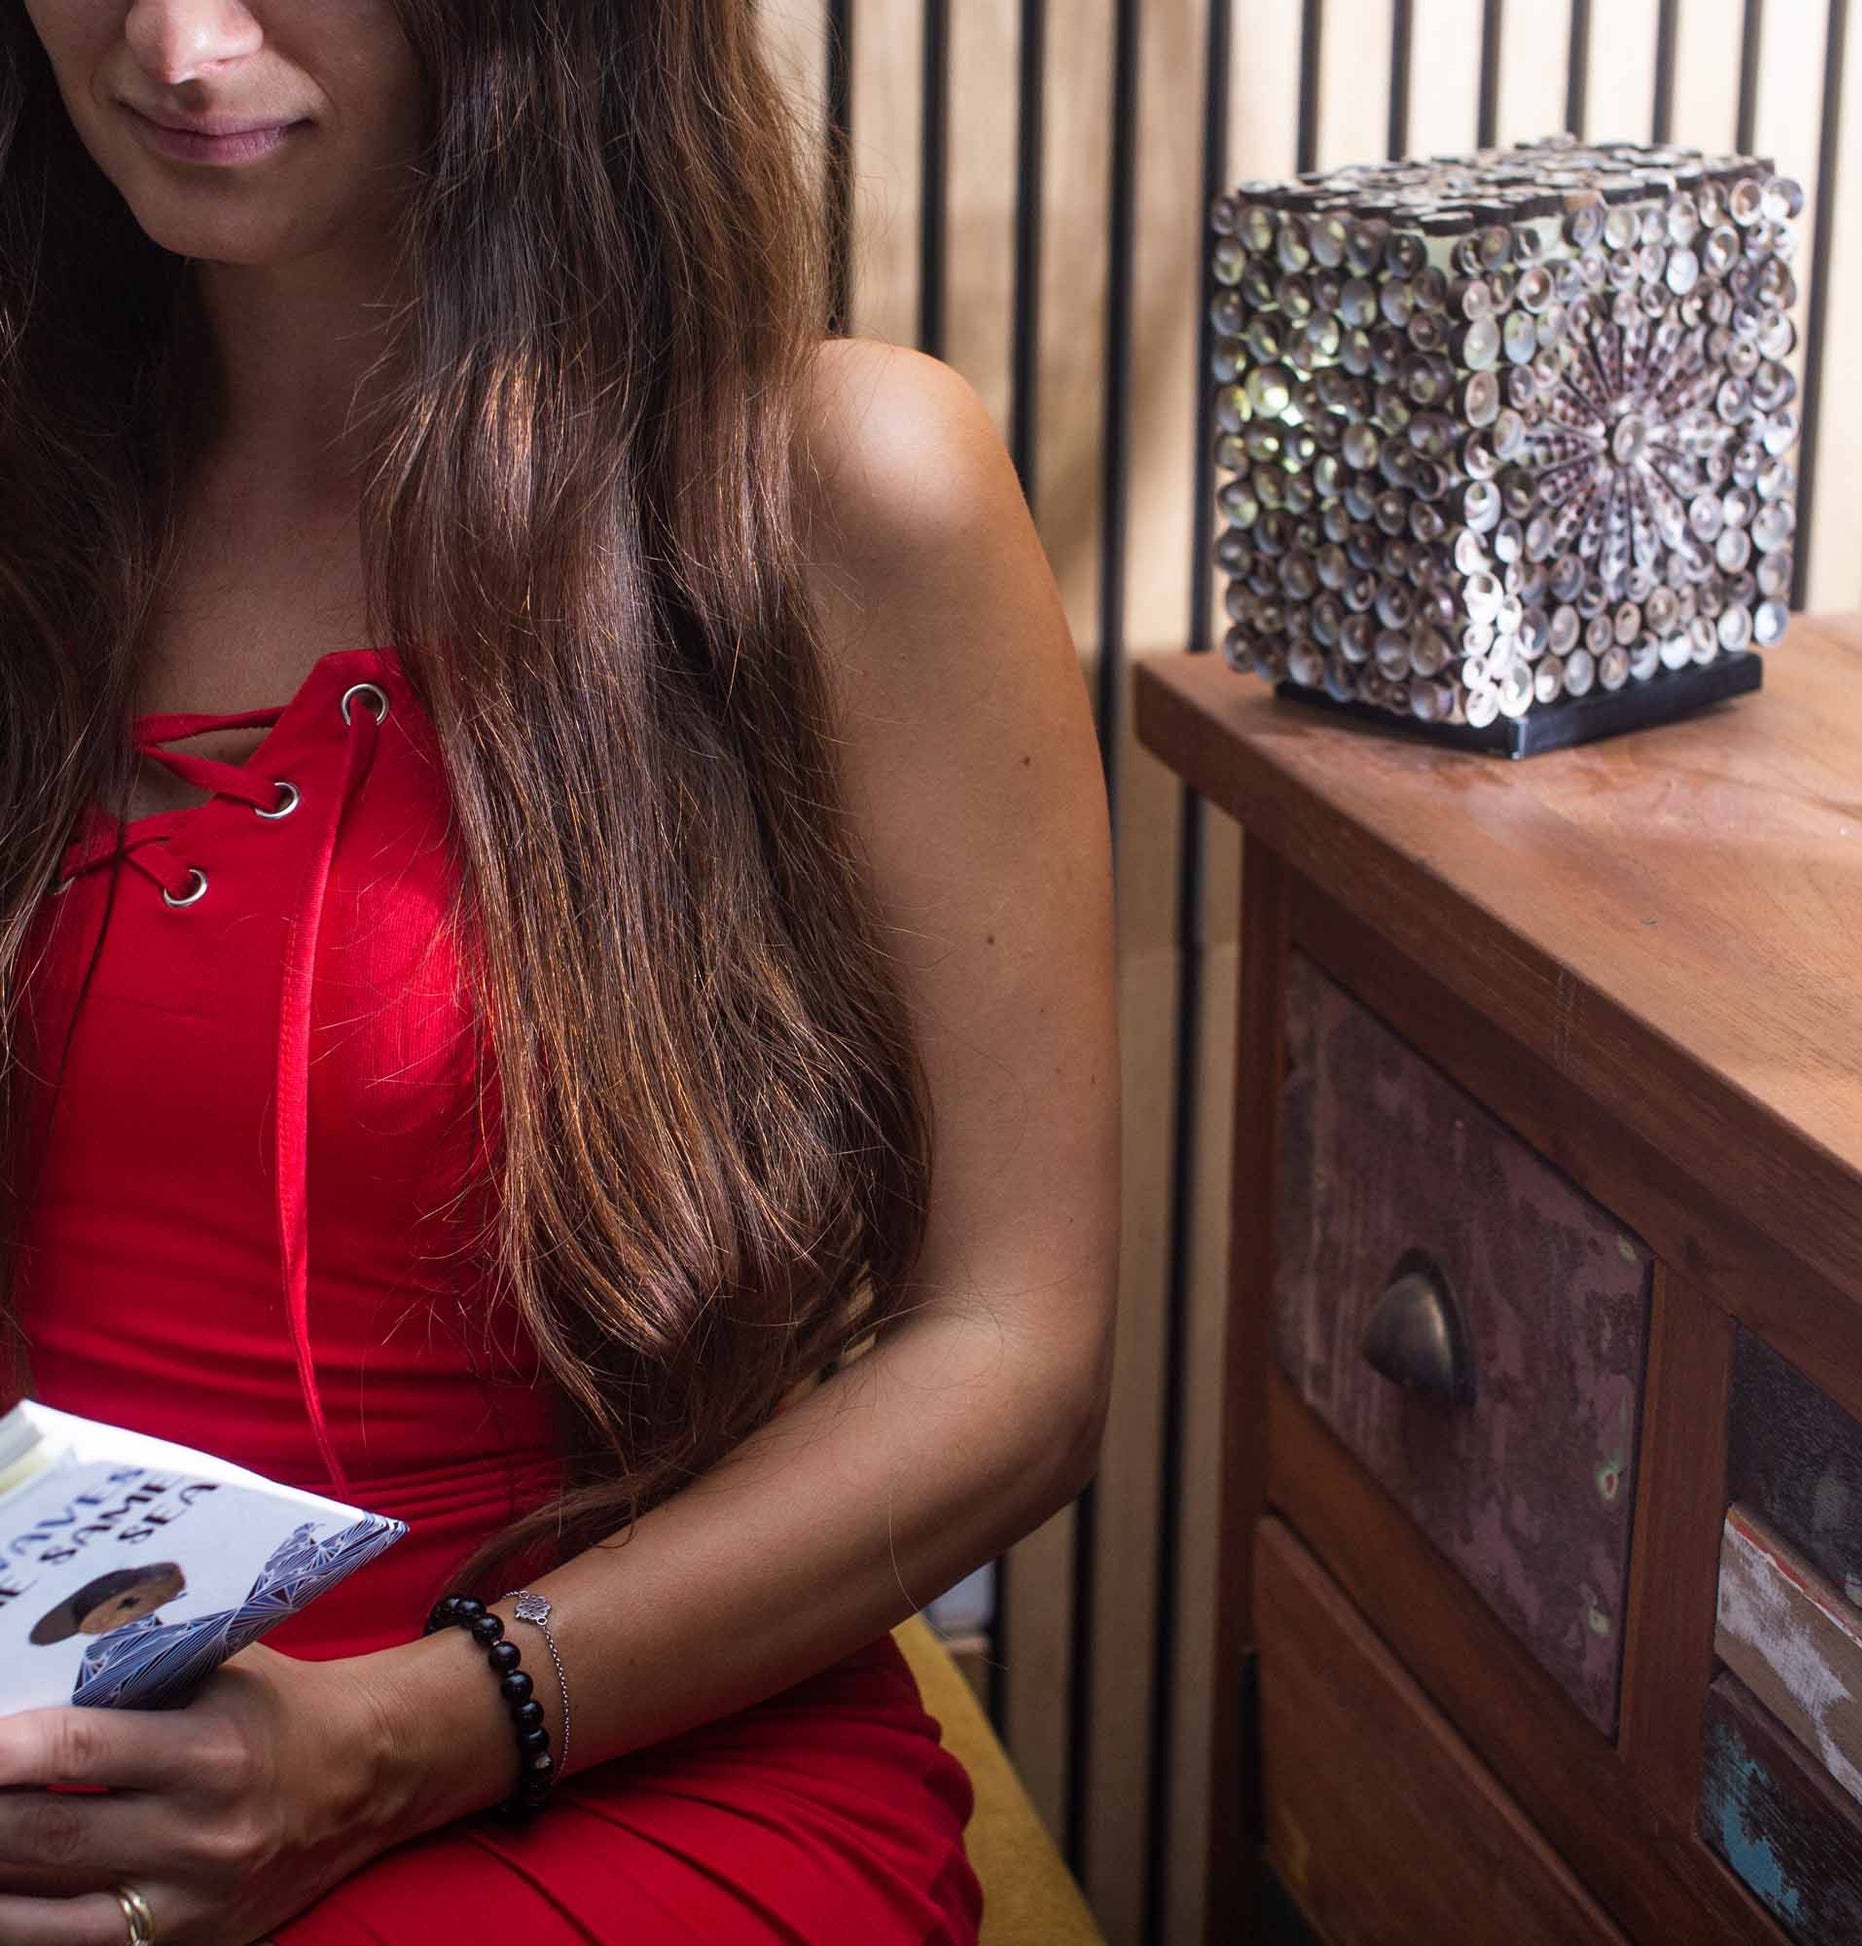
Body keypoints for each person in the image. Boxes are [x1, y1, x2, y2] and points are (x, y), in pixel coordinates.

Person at [0, 2, 1120, 1941]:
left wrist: (404, 1739)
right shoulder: (35, 496)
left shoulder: (830, 483)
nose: (178, 43)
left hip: (606, 1754)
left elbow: (1012, 1352)